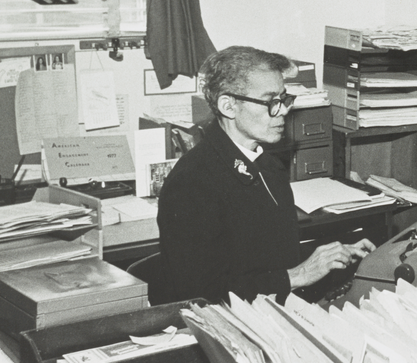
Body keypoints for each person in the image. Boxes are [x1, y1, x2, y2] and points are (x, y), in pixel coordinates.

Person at [154, 45, 374, 305]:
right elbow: (202, 294)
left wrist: (334, 255)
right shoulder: (192, 183)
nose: (283, 111)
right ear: (228, 106)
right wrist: (298, 275)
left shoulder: (268, 166)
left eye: (283, 99)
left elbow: (270, 257)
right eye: (271, 102)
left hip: (270, 309)